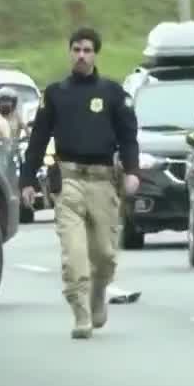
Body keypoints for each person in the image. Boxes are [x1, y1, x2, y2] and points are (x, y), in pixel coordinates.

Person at [21, 27, 140, 340]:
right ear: (69, 52)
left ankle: (98, 293)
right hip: (69, 181)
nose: (81, 56)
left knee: (104, 254)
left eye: (87, 50)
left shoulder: (113, 93)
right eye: (76, 50)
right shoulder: (56, 94)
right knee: (75, 256)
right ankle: (81, 313)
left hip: (103, 182)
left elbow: (128, 137)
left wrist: (132, 172)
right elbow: (38, 138)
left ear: (95, 54)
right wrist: (27, 179)